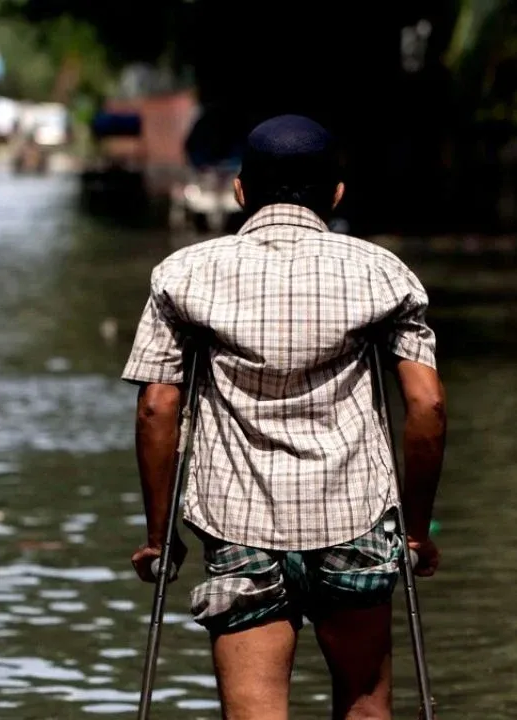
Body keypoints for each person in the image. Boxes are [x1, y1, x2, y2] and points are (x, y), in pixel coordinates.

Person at [123, 114, 446, 720]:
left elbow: (156, 405)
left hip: (238, 519)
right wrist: (417, 530)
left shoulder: (182, 274)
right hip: (353, 516)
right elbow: (426, 404)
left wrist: (157, 536)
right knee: (364, 705)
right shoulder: (383, 273)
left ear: (241, 190)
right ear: (337, 193)